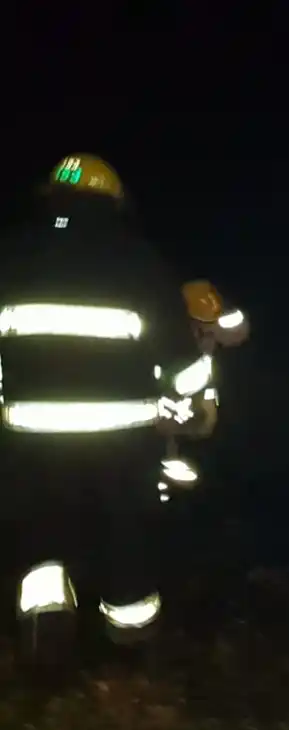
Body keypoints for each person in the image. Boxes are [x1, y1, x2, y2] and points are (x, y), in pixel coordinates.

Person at [0, 153, 249, 660]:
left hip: (27, 435)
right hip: (120, 437)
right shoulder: (139, 261)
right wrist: (196, 402)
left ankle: (44, 638)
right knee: (126, 535)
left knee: (39, 530)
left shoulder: (10, 255)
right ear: (114, 204)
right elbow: (178, 360)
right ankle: (129, 651)